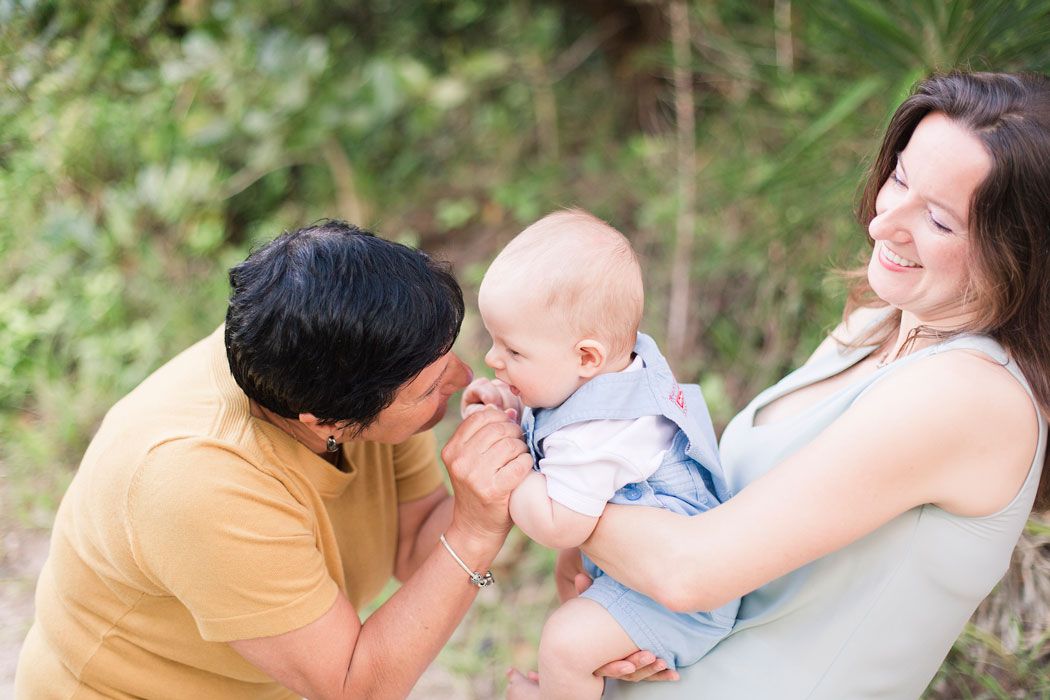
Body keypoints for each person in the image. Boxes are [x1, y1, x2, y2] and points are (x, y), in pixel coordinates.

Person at [465, 71, 1050, 699]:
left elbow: (690, 571)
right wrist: (619, 591)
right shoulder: (878, 321)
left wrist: (532, 476)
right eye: (900, 178)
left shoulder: (971, 395)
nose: (884, 224)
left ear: (1017, 251)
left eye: (937, 219)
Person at [15, 220, 533, 700]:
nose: (464, 378)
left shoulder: (360, 351)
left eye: (447, 357)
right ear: (325, 422)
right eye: (428, 389)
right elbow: (354, 684)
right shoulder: (199, 483)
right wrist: (474, 531)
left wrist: (509, 468)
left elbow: (416, 543)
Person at [469, 209, 738, 700]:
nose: (492, 358)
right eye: (494, 341)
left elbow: (558, 524)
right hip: (638, 566)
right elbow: (548, 416)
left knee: (564, 643)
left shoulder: (600, 430)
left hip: (679, 597)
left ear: (586, 357)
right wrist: (508, 403)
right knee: (571, 589)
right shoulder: (610, 373)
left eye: (513, 351)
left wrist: (510, 464)